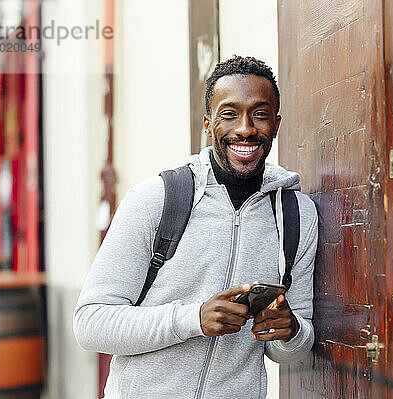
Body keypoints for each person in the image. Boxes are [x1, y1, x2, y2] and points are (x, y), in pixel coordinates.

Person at [73, 56, 318, 399]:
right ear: (207, 123)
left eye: (259, 114)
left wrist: (290, 332)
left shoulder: (297, 215)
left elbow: (290, 350)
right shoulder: (155, 199)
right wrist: (194, 319)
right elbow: (90, 323)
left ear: (275, 124)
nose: (245, 128)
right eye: (229, 114)